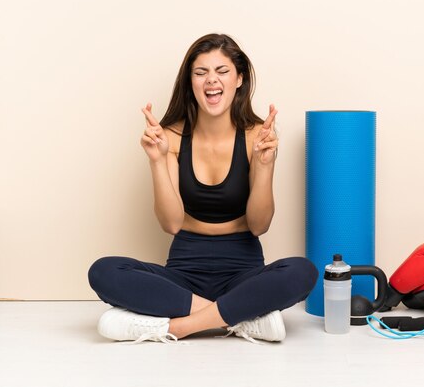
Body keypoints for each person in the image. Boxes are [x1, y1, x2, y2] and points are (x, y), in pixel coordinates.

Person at [88, 33, 318, 344]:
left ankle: (176, 327)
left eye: (222, 71)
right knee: (103, 271)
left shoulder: (256, 135)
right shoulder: (170, 136)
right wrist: (157, 160)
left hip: (243, 272)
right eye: (200, 73)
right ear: (190, 82)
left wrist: (264, 165)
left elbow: (259, 225)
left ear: (239, 79)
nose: (212, 80)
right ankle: (239, 318)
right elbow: (170, 223)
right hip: (183, 275)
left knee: (302, 271)